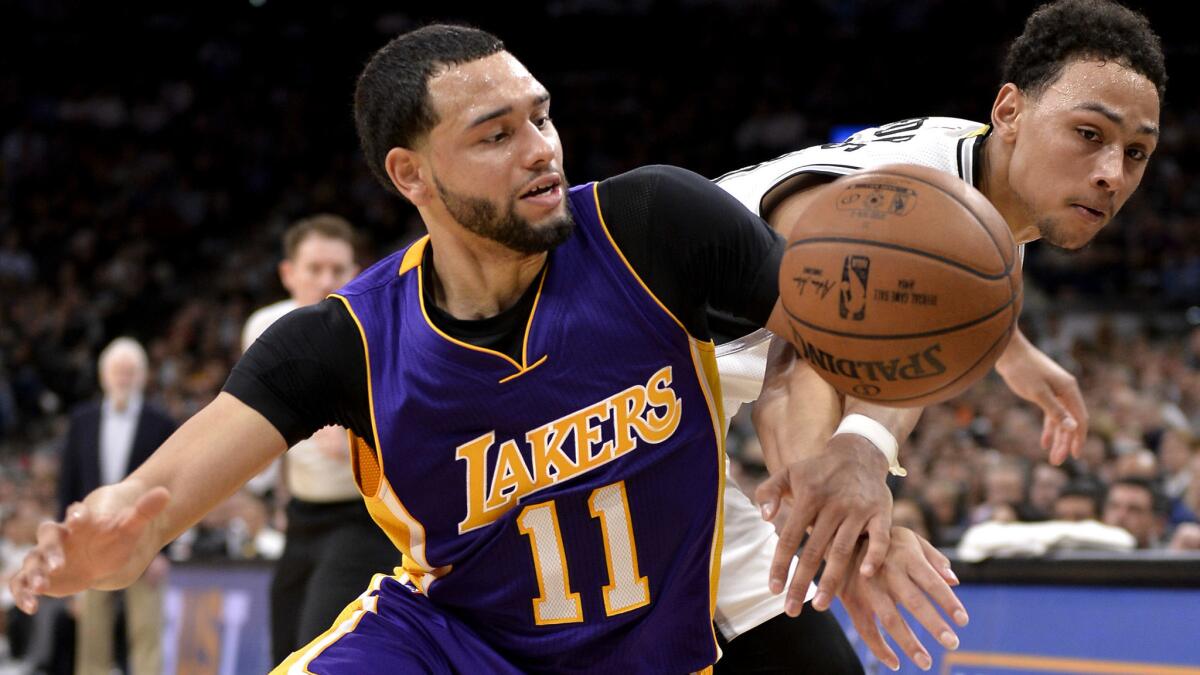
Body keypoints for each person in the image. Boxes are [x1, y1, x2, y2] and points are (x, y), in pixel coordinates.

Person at [11, 24, 964, 674]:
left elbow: (853, 346)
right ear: (410, 174)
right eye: (496, 133)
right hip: (449, 646)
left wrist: (859, 456)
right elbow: (162, 491)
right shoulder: (342, 339)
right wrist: (117, 538)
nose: (541, 147)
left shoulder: (654, 221)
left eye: (541, 115)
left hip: (656, 649)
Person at [709, 0, 1164, 668]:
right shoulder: (925, 209)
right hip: (619, 388)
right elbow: (803, 364)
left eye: (1136, 152)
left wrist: (1013, 347)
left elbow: (932, 299)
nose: (1111, 174)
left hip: (684, 408)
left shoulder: (978, 184)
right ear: (1008, 111)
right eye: (1090, 134)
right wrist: (851, 493)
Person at [240, 214, 400, 663]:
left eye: (339, 269)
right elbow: (259, 430)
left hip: (365, 516)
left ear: (356, 272)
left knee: (316, 652)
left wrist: (359, 432)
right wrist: (271, 499)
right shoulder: (262, 329)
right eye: (315, 269)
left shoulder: (376, 330)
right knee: (283, 647)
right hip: (301, 516)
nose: (327, 280)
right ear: (288, 274)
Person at [56, 338, 176, 675]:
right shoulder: (82, 420)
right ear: (103, 375)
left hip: (145, 543)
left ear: (143, 376)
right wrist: (64, 545)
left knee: (146, 632)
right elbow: (68, 485)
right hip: (90, 541)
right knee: (92, 635)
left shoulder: (161, 423)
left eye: (130, 371)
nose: (123, 378)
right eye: (117, 371)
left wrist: (164, 549)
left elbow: (173, 489)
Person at [1103, 477, 1167, 548]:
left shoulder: (1170, 555)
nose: (1121, 516)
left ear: (1157, 524)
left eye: (1134, 509)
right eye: (1114, 507)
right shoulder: (1089, 552)